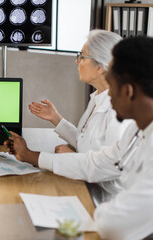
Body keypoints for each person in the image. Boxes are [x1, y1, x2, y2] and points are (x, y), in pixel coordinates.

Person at [7, 30, 130, 202]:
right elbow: (87, 142)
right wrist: (56, 118)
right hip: (87, 186)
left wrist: (30, 156)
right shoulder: (99, 97)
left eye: (82, 56)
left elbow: (99, 167)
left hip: (105, 201)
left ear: (100, 66)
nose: (76, 61)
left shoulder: (121, 114)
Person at [92, 36, 153, 240]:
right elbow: (102, 159)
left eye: (111, 87)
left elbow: (113, 225)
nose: (109, 95)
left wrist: (101, 211)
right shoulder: (136, 129)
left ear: (127, 91)